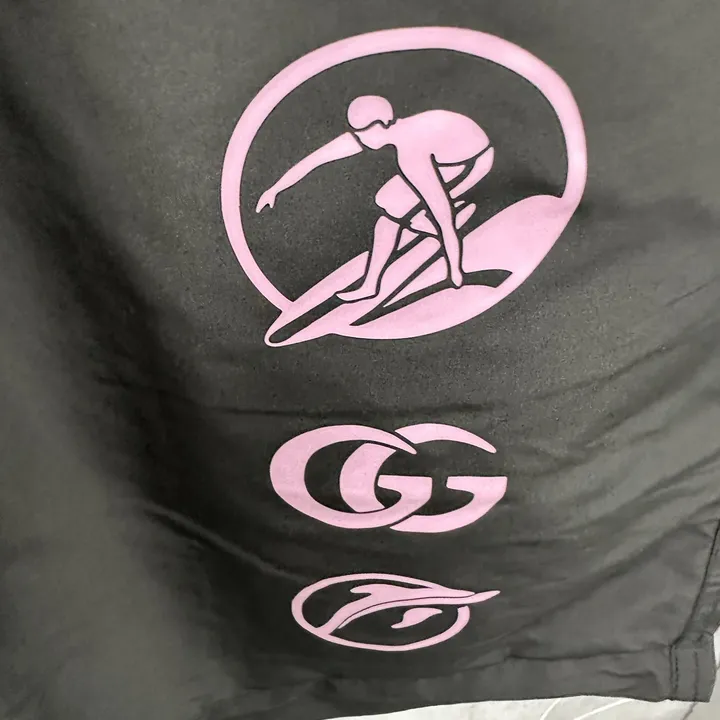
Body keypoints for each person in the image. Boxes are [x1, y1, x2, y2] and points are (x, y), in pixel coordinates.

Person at [256, 95, 493, 301]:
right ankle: (370, 285)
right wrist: (275, 189)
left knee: (400, 204)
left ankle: (435, 237)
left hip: (473, 162)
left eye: (362, 133)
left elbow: (442, 212)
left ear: (380, 125)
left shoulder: (412, 154)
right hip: (447, 150)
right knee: (387, 206)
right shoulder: (380, 131)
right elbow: (319, 158)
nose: (359, 139)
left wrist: (455, 274)